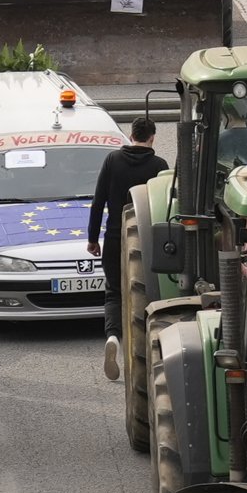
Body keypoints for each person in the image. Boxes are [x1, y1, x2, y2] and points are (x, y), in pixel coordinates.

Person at [87, 117, 168, 382]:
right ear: (153, 137)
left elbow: (98, 202)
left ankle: (113, 337)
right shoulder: (159, 166)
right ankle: (145, 355)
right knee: (148, 297)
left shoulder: (112, 161)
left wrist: (92, 239)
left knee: (113, 293)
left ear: (131, 135)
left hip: (114, 238)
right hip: (146, 241)